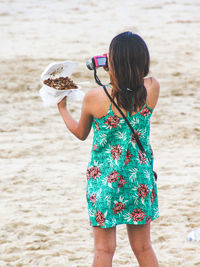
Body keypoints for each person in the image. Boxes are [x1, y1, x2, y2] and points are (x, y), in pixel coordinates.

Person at [57, 31, 160, 267]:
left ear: (112, 62)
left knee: (104, 250)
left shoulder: (94, 98)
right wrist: (118, 65)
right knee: (143, 247)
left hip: (105, 181)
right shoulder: (152, 88)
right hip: (139, 178)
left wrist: (62, 109)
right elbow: (131, 84)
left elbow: (81, 133)